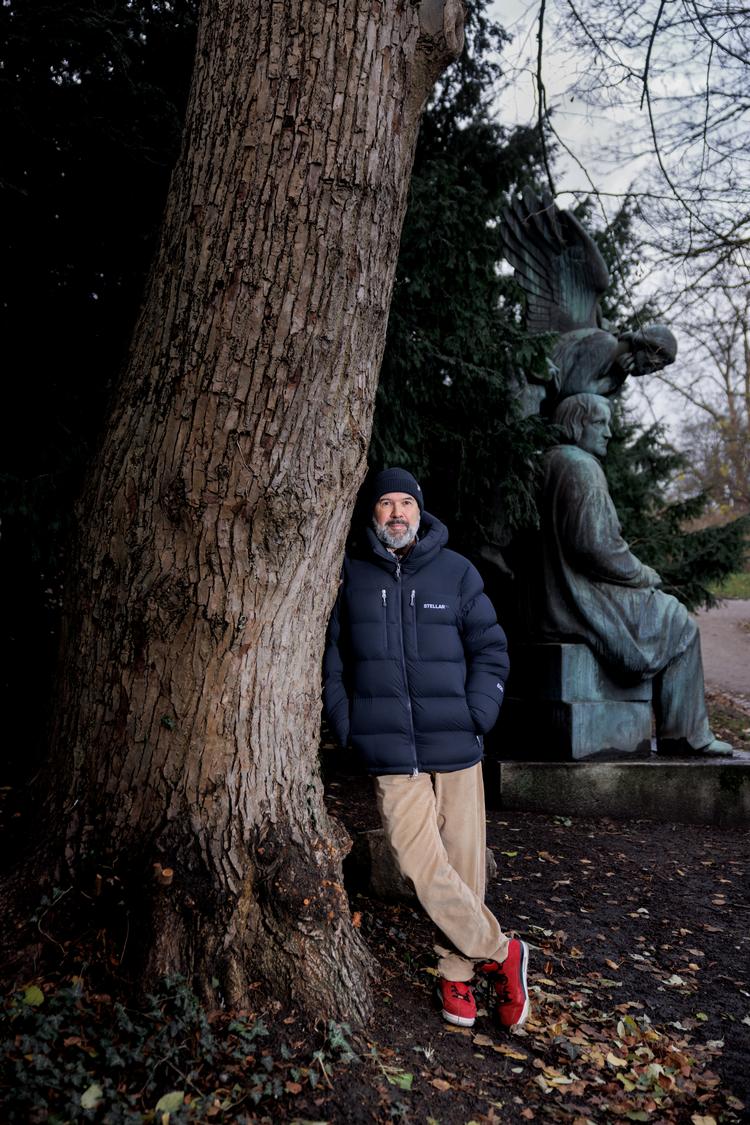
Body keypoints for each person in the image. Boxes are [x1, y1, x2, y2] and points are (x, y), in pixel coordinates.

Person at [323, 467, 530, 1030]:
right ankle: (501, 951)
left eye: (404, 505)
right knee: (418, 863)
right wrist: (349, 724)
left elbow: (491, 650)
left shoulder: (456, 573)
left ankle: (456, 974)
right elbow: (333, 660)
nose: (395, 513)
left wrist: (477, 713)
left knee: (463, 864)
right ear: (372, 515)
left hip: (456, 744)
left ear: (420, 511)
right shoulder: (349, 576)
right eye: (385, 504)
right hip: (388, 747)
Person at [541, 393, 733, 757]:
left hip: (554, 601)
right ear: (578, 424)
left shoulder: (548, 462)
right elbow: (595, 546)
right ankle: (687, 736)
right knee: (680, 623)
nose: (609, 433)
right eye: (600, 422)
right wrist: (642, 574)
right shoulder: (581, 466)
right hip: (580, 600)